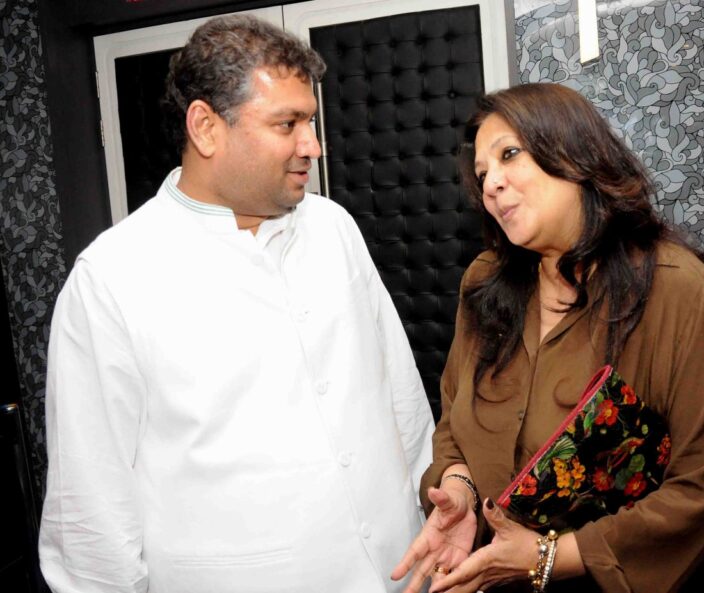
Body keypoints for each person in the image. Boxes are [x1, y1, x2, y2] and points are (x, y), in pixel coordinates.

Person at [39, 14, 434, 593]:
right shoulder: (112, 279)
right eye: (287, 123)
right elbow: (91, 513)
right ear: (205, 127)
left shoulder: (334, 229)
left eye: (312, 122)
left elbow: (400, 393)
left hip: (402, 573)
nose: (313, 146)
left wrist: (434, 508)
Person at [391, 83, 704, 593]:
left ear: (574, 153)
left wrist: (548, 557)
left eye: (509, 155)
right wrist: (459, 488)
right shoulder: (484, 281)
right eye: (481, 174)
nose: (491, 182)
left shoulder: (676, 287)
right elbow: (455, 414)